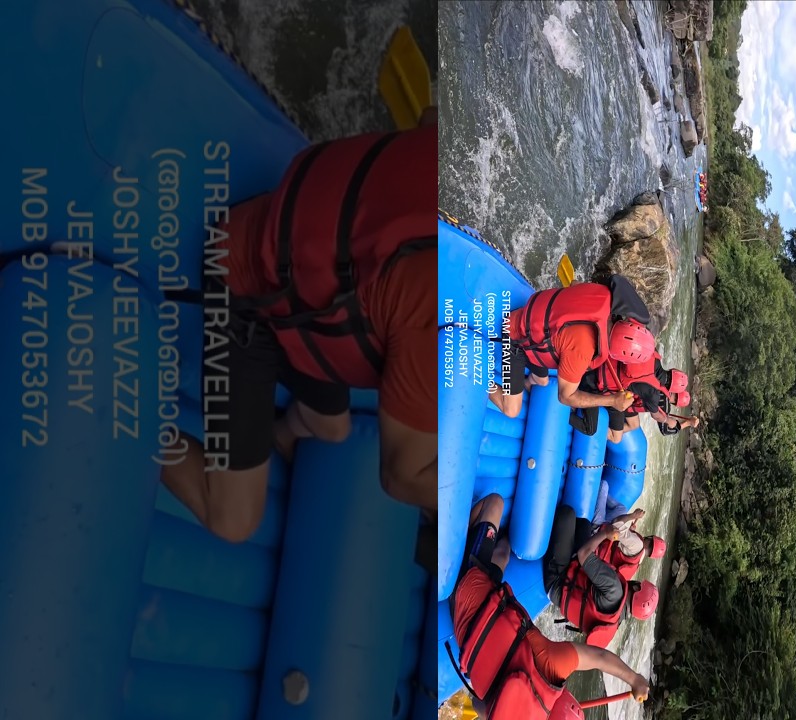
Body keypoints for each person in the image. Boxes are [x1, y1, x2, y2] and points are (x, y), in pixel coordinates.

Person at [159, 107, 439, 543]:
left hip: (300, 248)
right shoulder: (444, 327)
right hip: (249, 290)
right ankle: (136, 423)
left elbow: (426, 117)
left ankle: (272, 431)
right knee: (232, 519)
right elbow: (400, 475)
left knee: (330, 428)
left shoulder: (474, 163)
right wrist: (465, 500)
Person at [451, 495, 650, 719]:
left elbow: (600, 658)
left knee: (495, 503)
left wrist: (634, 679)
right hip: (463, 635)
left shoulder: (553, 665)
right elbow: (478, 704)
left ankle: (455, 542)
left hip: (472, 589)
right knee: (503, 552)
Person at [488, 275, 656, 420]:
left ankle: (518, 384)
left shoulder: (601, 294)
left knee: (540, 381)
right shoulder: (583, 351)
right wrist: (612, 401)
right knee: (511, 410)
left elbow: (574, 284)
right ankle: (482, 380)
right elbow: (565, 396)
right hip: (515, 340)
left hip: (527, 318)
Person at [543, 504, 661, 647]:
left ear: (636, 588)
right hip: (569, 584)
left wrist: (605, 534)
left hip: (558, 579)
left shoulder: (615, 588)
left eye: (639, 584)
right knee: (583, 525)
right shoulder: (617, 619)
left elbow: (583, 554)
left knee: (567, 514)